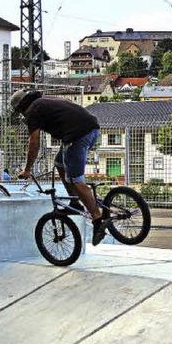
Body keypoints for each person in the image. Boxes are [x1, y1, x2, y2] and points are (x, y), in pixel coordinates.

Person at [10, 89, 110, 246]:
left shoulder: (32, 111)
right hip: (91, 128)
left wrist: (28, 169)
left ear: (22, 106)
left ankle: (98, 220)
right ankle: (75, 203)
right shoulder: (45, 101)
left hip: (78, 135)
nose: (22, 115)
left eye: (19, 111)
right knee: (59, 163)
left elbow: (34, 144)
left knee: (76, 179)